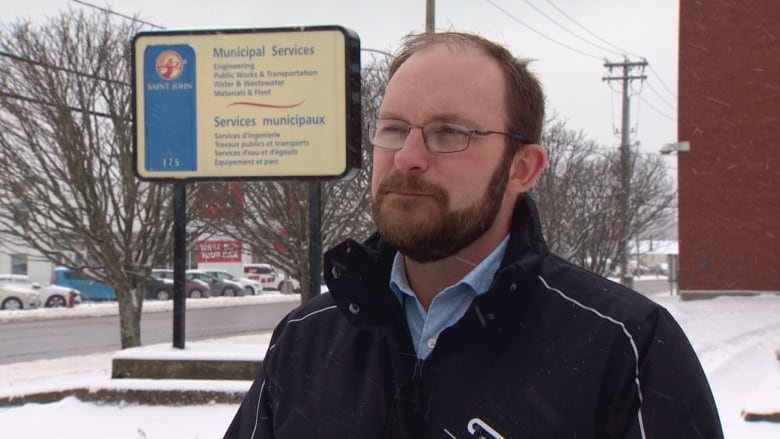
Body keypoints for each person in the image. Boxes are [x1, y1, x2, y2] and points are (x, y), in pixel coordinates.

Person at [225, 31, 723, 439]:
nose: (407, 157)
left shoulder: (624, 346)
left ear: (522, 168)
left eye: (448, 133)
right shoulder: (306, 339)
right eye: (395, 129)